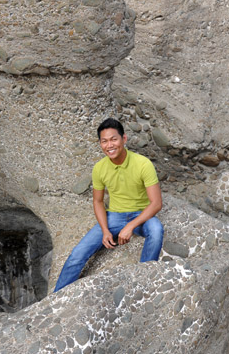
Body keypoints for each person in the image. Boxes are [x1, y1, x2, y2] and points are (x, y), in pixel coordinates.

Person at [54, 118, 164, 292]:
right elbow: (97, 201)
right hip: (114, 216)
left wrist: (130, 226)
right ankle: (55, 300)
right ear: (100, 144)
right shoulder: (99, 168)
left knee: (157, 230)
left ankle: (143, 284)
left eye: (114, 139)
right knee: (78, 254)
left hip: (141, 215)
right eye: (104, 141)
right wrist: (105, 230)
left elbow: (156, 203)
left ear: (124, 139)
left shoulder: (143, 164)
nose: (109, 145)